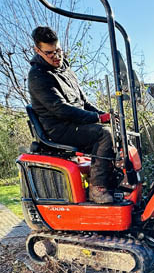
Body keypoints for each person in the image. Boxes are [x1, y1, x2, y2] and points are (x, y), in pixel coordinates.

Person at [28, 26, 116, 204]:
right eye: (50, 53)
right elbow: (61, 109)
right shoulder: (38, 76)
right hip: (58, 128)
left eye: (58, 50)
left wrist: (104, 115)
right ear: (37, 50)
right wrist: (97, 119)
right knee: (104, 134)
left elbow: (84, 102)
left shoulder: (66, 70)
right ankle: (97, 189)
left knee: (118, 131)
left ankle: (113, 181)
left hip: (75, 122)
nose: (56, 56)